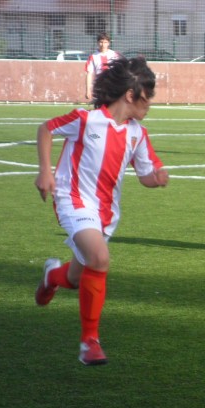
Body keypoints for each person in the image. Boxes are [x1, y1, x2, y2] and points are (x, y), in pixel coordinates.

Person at [34, 57, 169, 365]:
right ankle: (89, 342)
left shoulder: (137, 134)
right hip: (73, 200)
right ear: (130, 95)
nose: (150, 103)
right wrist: (45, 171)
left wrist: (158, 179)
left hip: (106, 213)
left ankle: (52, 276)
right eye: (147, 96)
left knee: (76, 278)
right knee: (100, 258)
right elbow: (46, 129)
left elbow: (146, 175)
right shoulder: (86, 120)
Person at [84, 32, 121, 100]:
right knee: (100, 105)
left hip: (112, 86)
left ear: (109, 43)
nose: (103, 45)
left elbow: (120, 71)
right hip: (99, 87)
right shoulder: (93, 56)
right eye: (101, 42)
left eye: (105, 42)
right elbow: (89, 74)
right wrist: (88, 90)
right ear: (98, 43)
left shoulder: (115, 55)